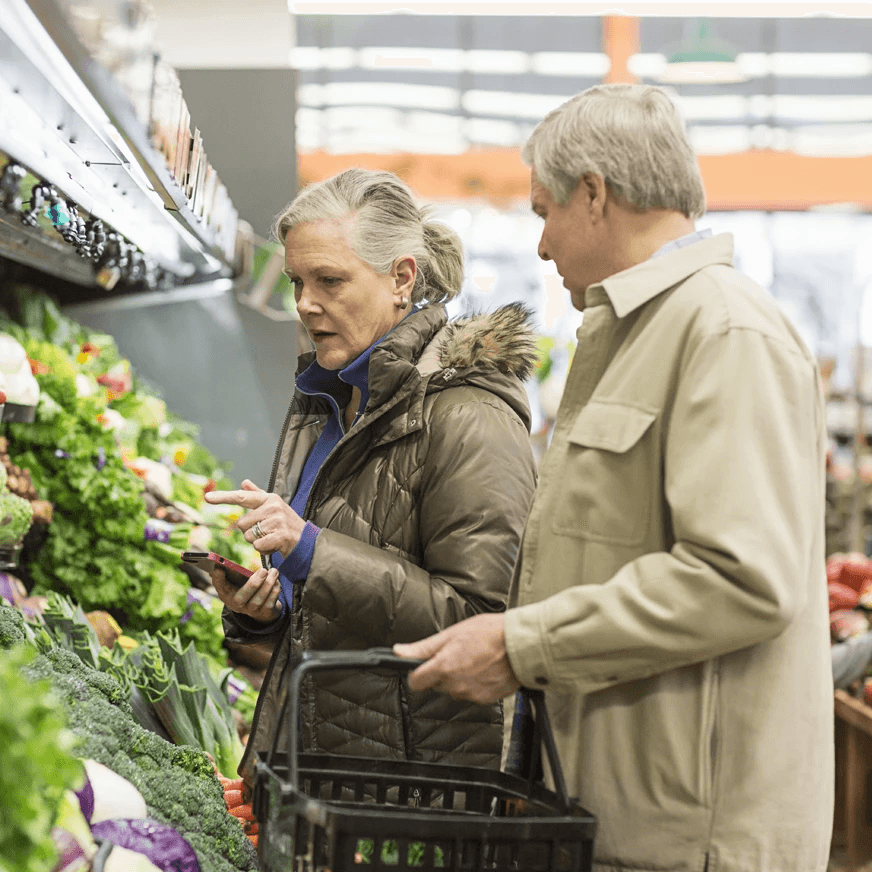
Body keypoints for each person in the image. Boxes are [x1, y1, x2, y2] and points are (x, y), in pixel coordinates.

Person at [395, 83, 834, 872]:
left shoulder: (725, 332)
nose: (539, 246)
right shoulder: (638, 333)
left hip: (697, 840)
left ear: (594, 195)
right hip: (622, 816)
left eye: (542, 213)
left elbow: (742, 579)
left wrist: (524, 643)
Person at [204, 168, 538, 785]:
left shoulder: (471, 417)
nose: (305, 303)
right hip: (319, 767)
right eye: (298, 281)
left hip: (411, 790)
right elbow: (341, 604)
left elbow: (479, 620)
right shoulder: (325, 398)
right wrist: (268, 612)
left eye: (330, 280)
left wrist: (310, 551)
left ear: (401, 278)